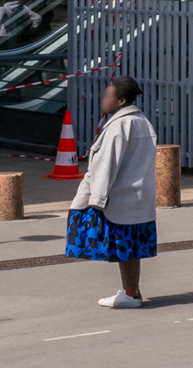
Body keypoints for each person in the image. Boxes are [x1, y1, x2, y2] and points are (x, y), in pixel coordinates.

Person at [64, 74, 158, 307]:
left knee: (123, 246)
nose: (103, 100)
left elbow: (107, 165)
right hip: (138, 197)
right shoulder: (142, 121)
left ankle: (130, 294)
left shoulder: (119, 126)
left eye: (108, 96)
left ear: (121, 101)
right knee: (131, 248)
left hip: (118, 198)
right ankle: (131, 291)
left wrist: (96, 200)